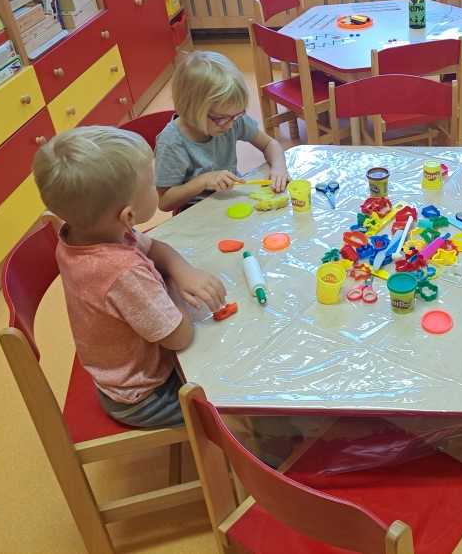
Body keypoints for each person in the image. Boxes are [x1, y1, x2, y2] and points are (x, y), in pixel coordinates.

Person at [33, 126, 227, 428]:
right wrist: (169, 284)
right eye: (151, 185)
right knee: (238, 396)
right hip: (147, 397)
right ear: (128, 216)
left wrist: (183, 271)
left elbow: (153, 247)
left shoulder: (86, 232)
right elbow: (179, 337)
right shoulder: (122, 272)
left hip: (122, 372)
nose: (156, 188)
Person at [155, 50, 290, 213]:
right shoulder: (172, 143)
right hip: (194, 210)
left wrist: (279, 167)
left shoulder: (230, 119)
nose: (230, 124)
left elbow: (269, 144)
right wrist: (203, 181)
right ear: (190, 110)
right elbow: (164, 202)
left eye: (236, 115)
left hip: (229, 197)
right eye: (221, 118)